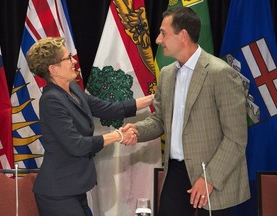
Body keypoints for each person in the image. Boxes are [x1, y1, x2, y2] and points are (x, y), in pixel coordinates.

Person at [122, 6, 250, 216]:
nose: (157, 40)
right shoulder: (167, 74)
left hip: (213, 175)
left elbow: (236, 137)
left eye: (163, 33)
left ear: (183, 35)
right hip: (176, 172)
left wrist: (209, 178)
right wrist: (136, 130)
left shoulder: (220, 73)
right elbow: (160, 120)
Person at [26, 37, 154, 216]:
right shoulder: (51, 100)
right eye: (68, 58)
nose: (73, 61)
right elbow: (77, 145)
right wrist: (118, 135)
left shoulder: (73, 89)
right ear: (53, 69)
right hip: (58, 193)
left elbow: (108, 110)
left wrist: (154, 98)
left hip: (74, 188)